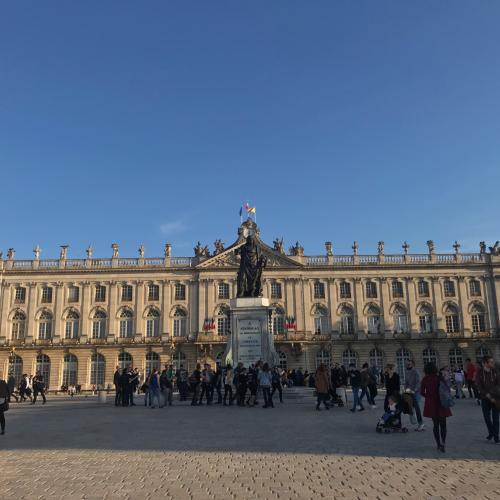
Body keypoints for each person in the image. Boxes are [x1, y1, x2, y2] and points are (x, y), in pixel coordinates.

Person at [420, 363, 452, 452]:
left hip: (431, 403)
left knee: (435, 425)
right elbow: (447, 389)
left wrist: (428, 397)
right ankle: (443, 442)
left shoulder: (425, 379)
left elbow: (422, 392)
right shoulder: (440, 377)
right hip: (441, 402)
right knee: (443, 425)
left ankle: (438, 444)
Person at [475, 355, 500, 444]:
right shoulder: (480, 373)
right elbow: (479, 386)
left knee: (496, 419)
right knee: (487, 418)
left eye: (493, 362)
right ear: (485, 363)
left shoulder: (495, 371)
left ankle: (496, 437)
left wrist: (493, 394)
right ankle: (491, 432)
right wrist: (487, 395)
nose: (493, 363)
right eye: (491, 362)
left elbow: (498, 383)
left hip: (496, 398)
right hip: (485, 399)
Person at [404, 360, 425, 431]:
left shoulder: (416, 371)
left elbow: (419, 382)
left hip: (417, 392)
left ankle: (421, 423)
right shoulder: (406, 371)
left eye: (409, 364)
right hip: (410, 391)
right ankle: (414, 419)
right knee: (410, 406)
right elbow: (406, 382)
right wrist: (405, 389)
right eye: (407, 364)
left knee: (416, 407)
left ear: (413, 365)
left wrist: (414, 390)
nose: (407, 365)